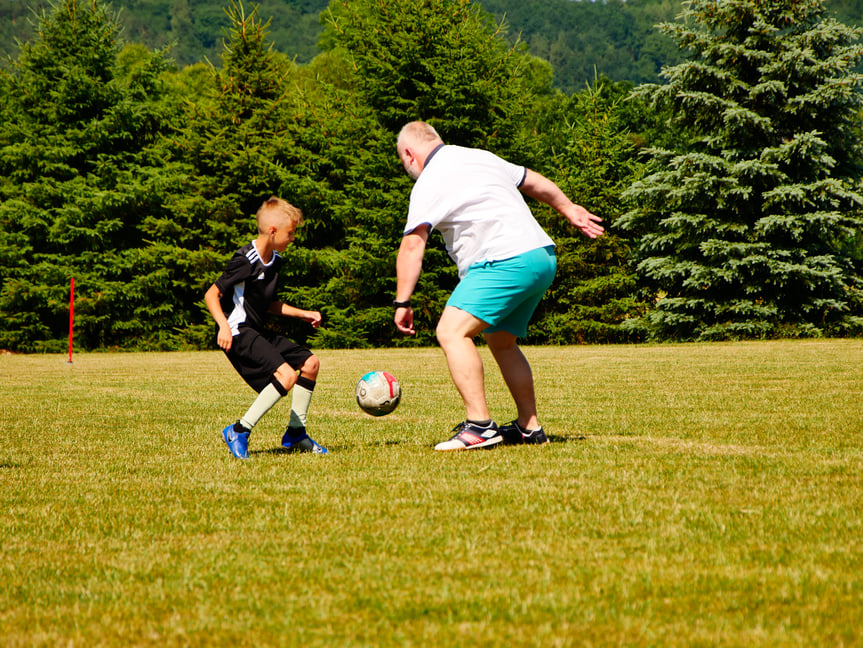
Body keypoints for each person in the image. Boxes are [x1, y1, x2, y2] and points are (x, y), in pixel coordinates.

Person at [393, 121, 604, 451]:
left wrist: (401, 302)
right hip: (541, 256)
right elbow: (531, 180)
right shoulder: (479, 156)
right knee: (501, 339)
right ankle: (528, 427)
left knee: (451, 332)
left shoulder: (430, 180)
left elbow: (412, 246)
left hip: (504, 260)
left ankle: (479, 425)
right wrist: (568, 208)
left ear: (409, 154)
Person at [204, 196, 326, 459]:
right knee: (286, 375)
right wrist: (223, 327)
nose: (292, 238)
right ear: (273, 231)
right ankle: (239, 430)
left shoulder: (276, 261)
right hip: (238, 332)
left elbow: (270, 303)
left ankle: (296, 434)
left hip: (256, 330)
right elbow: (211, 294)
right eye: (290, 233)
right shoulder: (245, 259)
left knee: (310, 364)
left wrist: (303, 314)